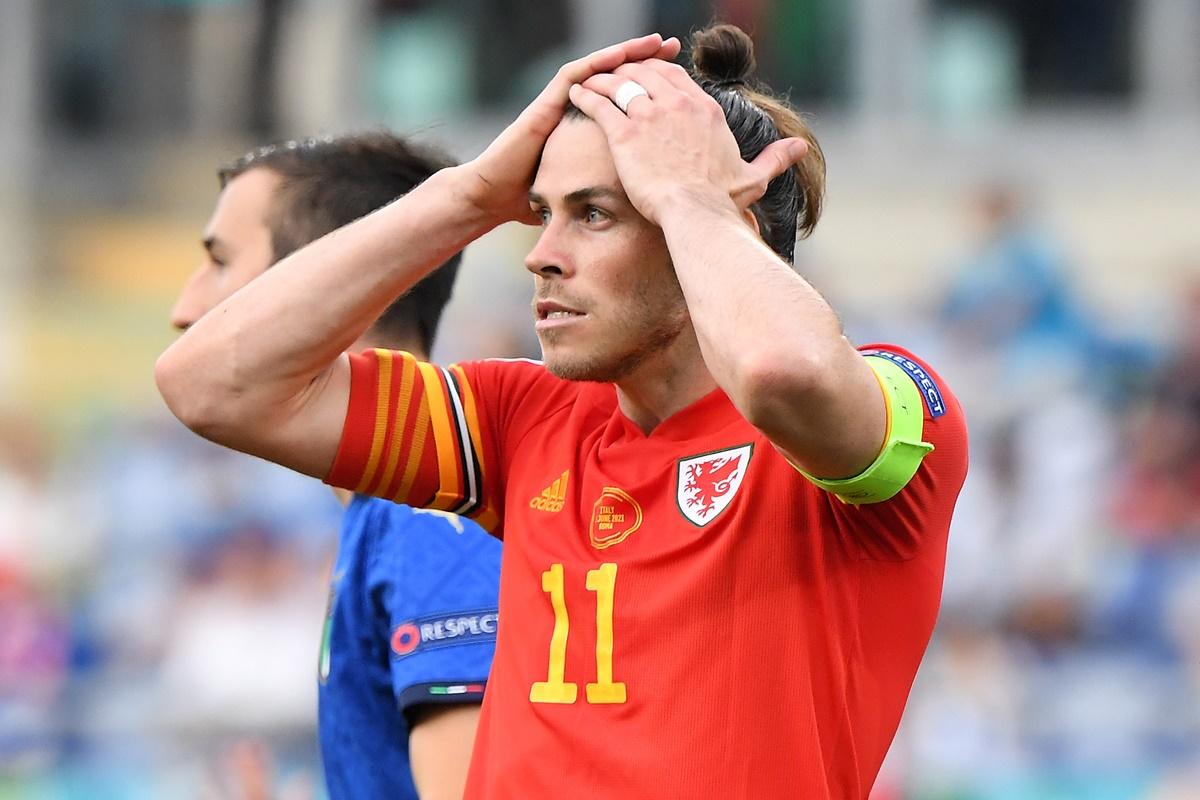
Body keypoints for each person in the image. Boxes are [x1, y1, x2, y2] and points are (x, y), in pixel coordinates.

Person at [158, 26, 968, 799]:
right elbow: (211, 387)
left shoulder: (888, 406)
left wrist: (691, 199)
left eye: (594, 213)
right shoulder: (522, 420)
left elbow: (780, 370)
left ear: (722, 227)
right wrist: (468, 194)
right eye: (543, 211)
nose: (540, 252)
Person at [169, 132, 502, 800]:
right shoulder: (392, 509)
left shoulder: (431, 513)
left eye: (221, 263)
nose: (186, 310)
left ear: (328, 288)